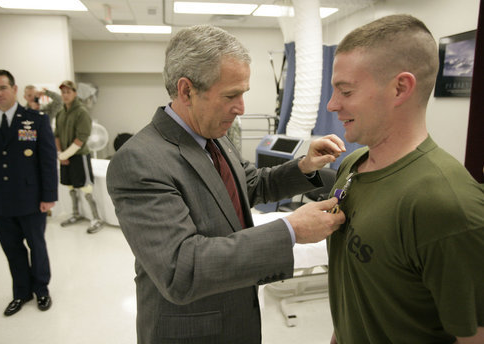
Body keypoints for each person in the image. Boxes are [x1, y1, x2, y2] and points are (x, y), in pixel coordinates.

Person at [106, 24, 346, 344]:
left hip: (236, 316)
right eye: (231, 95)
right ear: (186, 90)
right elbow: (182, 268)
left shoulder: (214, 135)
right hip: (192, 331)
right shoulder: (140, 161)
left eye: (243, 93)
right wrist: (290, 230)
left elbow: (251, 184)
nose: (241, 108)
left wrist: (304, 166)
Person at [326, 14, 484, 343]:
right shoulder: (352, 165)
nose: (332, 105)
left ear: (400, 88)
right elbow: (355, 295)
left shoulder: (446, 204)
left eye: (346, 91)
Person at [0, 69, 58, 316]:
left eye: (2, 88)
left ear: (14, 89)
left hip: (31, 199)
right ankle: (21, 293)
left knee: (36, 246)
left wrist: (48, 196)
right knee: (12, 249)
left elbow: (47, 160)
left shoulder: (35, 119)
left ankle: (41, 289)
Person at [54, 80, 104, 234]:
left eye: (68, 92)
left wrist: (64, 155)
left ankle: (96, 219)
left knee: (86, 188)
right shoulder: (60, 113)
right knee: (71, 187)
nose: (65, 95)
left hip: (79, 156)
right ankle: (76, 214)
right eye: (63, 92)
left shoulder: (81, 112)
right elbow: (56, 135)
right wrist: (60, 155)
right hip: (64, 157)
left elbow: (81, 138)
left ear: (74, 93)